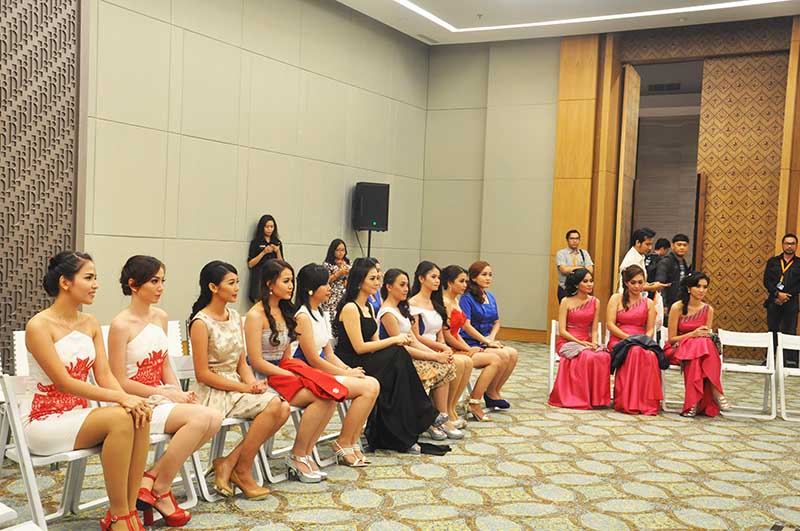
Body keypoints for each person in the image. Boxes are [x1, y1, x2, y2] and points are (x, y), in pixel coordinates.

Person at [24, 251, 152, 531]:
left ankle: (129, 511)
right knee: (120, 417)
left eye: (96, 278)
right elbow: (63, 383)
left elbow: (104, 375)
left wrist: (131, 400)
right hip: (44, 420)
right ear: (65, 282)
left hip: (79, 416)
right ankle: (119, 517)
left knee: (140, 414)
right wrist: (122, 398)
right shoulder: (38, 325)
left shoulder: (90, 323)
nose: (96, 284)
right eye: (89, 278)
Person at [108, 256, 222, 526]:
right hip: (135, 401)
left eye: (162, 281)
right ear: (133, 285)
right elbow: (119, 380)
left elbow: (164, 364)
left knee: (214, 418)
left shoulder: (160, 317)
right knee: (201, 419)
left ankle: (154, 480)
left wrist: (177, 392)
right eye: (154, 281)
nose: (160, 287)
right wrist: (166, 394)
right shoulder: (120, 325)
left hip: (161, 396)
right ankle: (160, 488)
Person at [189, 261, 290, 500]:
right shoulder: (201, 322)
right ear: (213, 287)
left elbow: (242, 363)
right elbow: (203, 374)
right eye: (231, 283)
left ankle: (230, 463)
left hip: (236, 385)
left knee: (282, 407)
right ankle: (242, 470)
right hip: (212, 390)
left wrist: (252, 384)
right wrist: (244, 387)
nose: (237, 288)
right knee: (275, 405)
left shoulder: (235, 316)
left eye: (237, 283)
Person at [244, 259, 337, 483]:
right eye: (286, 281)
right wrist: (287, 374)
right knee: (320, 397)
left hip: (283, 372)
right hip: (263, 376)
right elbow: (256, 361)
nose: (291, 286)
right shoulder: (255, 315)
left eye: (292, 281)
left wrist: (294, 372)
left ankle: (304, 452)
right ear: (270, 284)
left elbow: (286, 357)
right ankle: (298, 454)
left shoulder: (286, 311)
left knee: (329, 395)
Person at [334, 258, 438, 454]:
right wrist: (394, 340)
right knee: (397, 357)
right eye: (372, 279)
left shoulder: (369, 307)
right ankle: (421, 412)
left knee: (397, 370)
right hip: (351, 361)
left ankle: (401, 430)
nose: (377, 283)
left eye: (378, 278)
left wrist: (394, 343)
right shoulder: (350, 308)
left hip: (368, 357)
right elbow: (359, 347)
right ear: (359, 281)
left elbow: (375, 342)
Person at [293, 263, 379, 467]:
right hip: (306, 372)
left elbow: (328, 353)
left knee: (372, 384)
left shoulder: (322, 313)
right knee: (367, 388)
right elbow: (313, 359)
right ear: (310, 289)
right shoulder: (302, 316)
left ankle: (351, 440)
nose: (329, 288)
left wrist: (349, 370)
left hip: (321, 370)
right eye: (325, 284)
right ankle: (344, 442)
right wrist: (344, 373)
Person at [379, 268, 458, 440]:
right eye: (401, 285)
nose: (406, 289)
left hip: (408, 356)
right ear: (389, 287)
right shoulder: (387, 313)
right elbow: (401, 348)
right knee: (434, 367)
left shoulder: (400, 309)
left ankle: (442, 416)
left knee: (446, 365)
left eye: (407, 285)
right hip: (396, 361)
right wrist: (435, 356)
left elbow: (414, 340)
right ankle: (428, 419)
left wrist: (438, 354)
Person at [408, 261, 472, 431]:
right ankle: (440, 413)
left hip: (436, 347)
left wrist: (444, 347)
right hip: (422, 348)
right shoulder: (413, 303)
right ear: (421, 279)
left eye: (438, 277)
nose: (437, 281)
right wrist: (439, 350)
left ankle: (448, 409)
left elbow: (441, 333)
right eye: (433, 277)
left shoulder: (435, 302)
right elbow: (417, 336)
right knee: (455, 362)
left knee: (464, 361)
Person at [441, 265, 503, 422]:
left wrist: (469, 348)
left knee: (497, 358)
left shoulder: (455, 300)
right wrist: (467, 348)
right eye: (461, 281)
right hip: (449, 347)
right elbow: (447, 335)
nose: (465, 285)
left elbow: (456, 332)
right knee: (494, 360)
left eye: (466, 281)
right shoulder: (445, 302)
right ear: (450, 283)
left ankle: (473, 401)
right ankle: (471, 403)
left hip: (458, 344)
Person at [664, 273, 732, 417]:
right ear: (689, 288)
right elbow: (671, 340)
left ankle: (692, 403)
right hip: (677, 349)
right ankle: (716, 391)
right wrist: (692, 334)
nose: (702, 290)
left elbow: (705, 336)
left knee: (701, 348)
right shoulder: (677, 307)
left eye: (705, 287)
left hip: (698, 353)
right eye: (698, 286)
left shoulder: (708, 310)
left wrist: (698, 337)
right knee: (701, 344)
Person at [548, 268, 611, 410]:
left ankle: (598, 399)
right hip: (568, 341)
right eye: (585, 281)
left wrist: (594, 342)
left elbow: (594, 329)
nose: (590, 284)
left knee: (603, 356)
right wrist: (580, 343)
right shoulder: (566, 301)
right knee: (587, 356)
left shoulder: (595, 302)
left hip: (587, 340)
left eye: (591, 281)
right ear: (577, 284)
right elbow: (562, 331)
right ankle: (580, 397)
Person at [459, 261, 519, 409]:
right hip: (470, 341)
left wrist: (491, 338)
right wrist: (486, 341)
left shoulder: (490, 296)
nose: (488, 278)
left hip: (487, 340)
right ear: (474, 277)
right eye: (484, 274)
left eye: (490, 275)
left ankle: (493, 391)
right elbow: (466, 325)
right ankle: (482, 396)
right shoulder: (466, 298)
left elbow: (496, 322)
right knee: (503, 355)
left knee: (513, 353)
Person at [607, 265, 663, 415]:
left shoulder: (648, 303)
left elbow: (650, 329)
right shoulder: (616, 298)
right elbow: (610, 324)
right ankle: (627, 401)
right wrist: (629, 339)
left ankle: (646, 402)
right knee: (634, 351)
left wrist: (644, 340)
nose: (637, 286)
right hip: (620, 340)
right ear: (626, 282)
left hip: (641, 341)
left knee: (650, 355)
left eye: (640, 282)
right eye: (633, 282)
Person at [619, 227, 670, 329]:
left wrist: (651, 284)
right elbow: (634, 285)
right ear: (638, 243)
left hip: (638, 299)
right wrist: (652, 287)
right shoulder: (631, 260)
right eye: (647, 244)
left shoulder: (640, 256)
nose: (650, 248)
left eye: (651, 244)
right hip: (629, 301)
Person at [763, 233, 800, 367]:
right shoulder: (773, 262)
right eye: (787, 243)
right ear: (782, 245)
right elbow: (767, 281)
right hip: (774, 300)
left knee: (790, 330)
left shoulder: (799, 263)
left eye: (792, 244)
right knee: (772, 330)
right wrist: (777, 294)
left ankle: (790, 361)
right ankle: (769, 360)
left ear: (796, 246)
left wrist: (786, 296)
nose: (789, 246)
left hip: (791, 301)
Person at [247, 215, 284, 303]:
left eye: (272, 227)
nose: (269, 229)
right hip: (259, 276)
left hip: (273, 277)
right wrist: (263, 252)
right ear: (262, 227)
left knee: (272, 301)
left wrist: (277, 251)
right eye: (267, 227)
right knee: (259, 301)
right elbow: (250, 264)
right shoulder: (256, 242)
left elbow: (282, 264)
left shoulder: (277, 242)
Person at [655, 234, 693, 318]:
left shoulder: (684, 263)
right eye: (679, 245)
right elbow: (660, 284)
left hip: (680, 302)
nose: (682, 247)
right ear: (673, 246)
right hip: (668, 302)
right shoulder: (666, 262)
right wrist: (663, 304)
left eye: (684, 245)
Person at [322, 239, 351, 336]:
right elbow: (325, 280)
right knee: (332, 318)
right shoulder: (327, 264)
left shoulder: (347, 262)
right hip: (332, 294)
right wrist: (338, 274)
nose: (340, 253)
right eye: (338, 250)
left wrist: (346, 275)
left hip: (344, 292)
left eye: (343, 250)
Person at [556, 229, 594, 302]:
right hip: (565, 289)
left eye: (577, 238)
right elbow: (564, 270)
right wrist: (582, 268)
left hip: (581, 290)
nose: (574, 241)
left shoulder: (584, 253)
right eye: (572, 238)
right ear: (567, 240)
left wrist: (572, 269)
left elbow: (590, 270)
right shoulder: (561, 253)